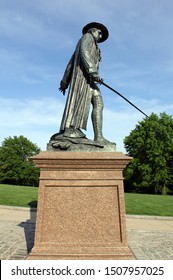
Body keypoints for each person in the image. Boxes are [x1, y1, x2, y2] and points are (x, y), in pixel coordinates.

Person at [59, 22, 110, 144]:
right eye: (99, 33)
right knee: (93, 103)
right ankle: (72, 129)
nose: (101, 36)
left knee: (99, 103)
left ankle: (99, 137)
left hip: (90, 79)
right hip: (83, 78)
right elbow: (83, 53)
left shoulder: (96, 47)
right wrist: (93, 72)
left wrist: (64, 81)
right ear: (93, 31)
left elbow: (70, 63)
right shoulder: (87, 37)